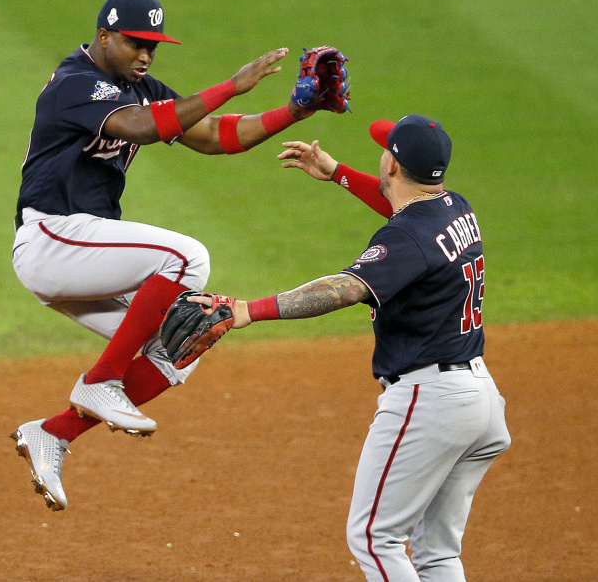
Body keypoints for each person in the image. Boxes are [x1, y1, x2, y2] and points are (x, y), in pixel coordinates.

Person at [9, 0, 332, 511]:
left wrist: (295, 110)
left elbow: (213, 135)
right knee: (186, 257)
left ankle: (54, 432)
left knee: (183, 344)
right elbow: (141, 127)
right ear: (104, 36)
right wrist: (232, 85)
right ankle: (100, 382)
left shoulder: (140, 87)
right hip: (51, 237)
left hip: (84, 253)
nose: (146, 55)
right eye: (135, 43)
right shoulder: (73, 84)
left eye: (153, 46)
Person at [186, 115, 510, 582]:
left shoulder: (407, 236)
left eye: (384, 150)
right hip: (479, 400)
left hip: (431, 402)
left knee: (374, 538)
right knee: (437, 553)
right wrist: (336, 171)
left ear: (392, 165)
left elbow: (346, 288)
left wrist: (247, 310)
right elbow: (405, 217)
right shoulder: (455, 207)